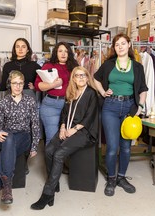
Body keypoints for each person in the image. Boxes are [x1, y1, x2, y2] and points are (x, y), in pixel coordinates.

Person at [31, 66, 99, 210]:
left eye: (83, 75)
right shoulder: (71, 93)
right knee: (49, 150)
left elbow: (89, 117)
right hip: (67, 128)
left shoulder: (91, 93)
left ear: (87, 77)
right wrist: (62, 127)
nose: (80, 78)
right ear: (73, 78)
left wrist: (73, 130)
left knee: (59, 153)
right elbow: (64, 113)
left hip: (83, 131)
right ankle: (54, 184)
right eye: (77, 76)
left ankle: (48, 193)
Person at [94, 33, 148, 197]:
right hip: (110, 107)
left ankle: (122, 177)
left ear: (129, 45)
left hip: (129, 107)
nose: (120, 47)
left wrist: (139, 106)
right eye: (117, 44)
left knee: (125, 147)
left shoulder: (137, 67)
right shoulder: (108, 64)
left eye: (123, 43)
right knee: (111, 147)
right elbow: (95, 78)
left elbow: (143, 89)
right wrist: (103, 92)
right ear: (114, 48)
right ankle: (111, 178)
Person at [0, 38, 41, 178]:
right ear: (14, 49)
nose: (20, 49)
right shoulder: (7, 65)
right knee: (6, 134)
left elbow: (44, 82)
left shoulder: (35, 65)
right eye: (17, 46)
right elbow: (2, 86)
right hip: (11, 99)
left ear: (27, 49)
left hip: (28, 99)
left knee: (28, 131)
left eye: (23, 46)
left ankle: (22, 163)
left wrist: (35, 86)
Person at [0, 71, 40, 216]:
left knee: (8, 145)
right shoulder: (3, 103)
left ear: (23, 84)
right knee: (8, 139)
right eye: (15, 83)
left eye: (20, 83)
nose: (18, 86)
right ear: (10, 84)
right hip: (7, 137)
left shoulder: (30, 101)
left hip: (24, 137)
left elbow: (35, 125)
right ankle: (6, 186)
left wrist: (34, 146)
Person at [34, 42, 78, 146]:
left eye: (66, 51)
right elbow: (37, 86)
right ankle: (52, 162)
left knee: (68, 138)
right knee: (53, 139)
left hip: (69, 105)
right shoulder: (48, 65)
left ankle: (61, 162)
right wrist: (53, 84)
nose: (63, 54)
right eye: (60, 51)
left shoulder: (74, 67)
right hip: (51, 105)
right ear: (56, 53)